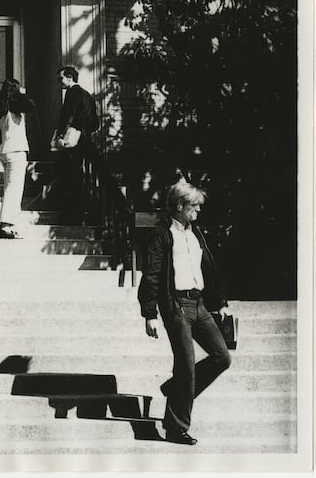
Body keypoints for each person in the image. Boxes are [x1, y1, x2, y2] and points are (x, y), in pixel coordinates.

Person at [138, 179, 232, 445]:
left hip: (199, 304)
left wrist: (220, 302)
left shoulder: (195, 233)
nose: (198, 211)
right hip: (176, 306)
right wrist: (150, 314)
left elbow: (209, 270)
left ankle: (174, 388)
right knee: (186, 366)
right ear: (179, 206)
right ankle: (176, 427)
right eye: (194, 206)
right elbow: (152, 276)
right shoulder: (161, 234)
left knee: (221, 357)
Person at [53, 66, 99, 216]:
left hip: (71, 139)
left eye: (61, 79)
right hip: (84, 139)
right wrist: (83, 130)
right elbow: (95, 123)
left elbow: (67, 115)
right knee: (79, 174)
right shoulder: (88, 96)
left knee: (68, 173)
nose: (60, 82)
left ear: (70, 78)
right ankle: (81, 208)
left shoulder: (72, 93)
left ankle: (70, 210)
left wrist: (60, 135)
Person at [0, 78, 36, 239]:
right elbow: (31, 105)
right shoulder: (14, 104)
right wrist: (22, 94)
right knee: (15, 189)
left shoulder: (0, 108)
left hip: (4, 150)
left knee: (8, 187)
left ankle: (7, 222)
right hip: (17, 150)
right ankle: (7, 223)